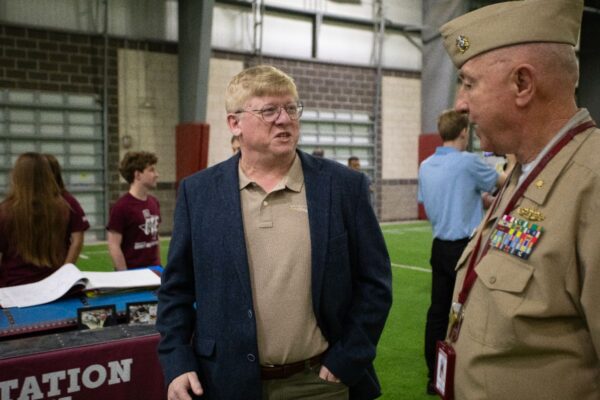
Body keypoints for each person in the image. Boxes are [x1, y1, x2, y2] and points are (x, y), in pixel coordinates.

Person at [157, 65, 392, 400]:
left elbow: (375, 283)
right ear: (234, 123)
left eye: (291, 108)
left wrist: (348, 357)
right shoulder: (199, 193)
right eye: (269, 110)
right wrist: (177, 360)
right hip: (225, 381)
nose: (284, 119)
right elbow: (176, 291)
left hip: (318, 382)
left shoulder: (343, 187)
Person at [436, 0, 600, 399]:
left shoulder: (591, 182)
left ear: (522, 84)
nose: (460, 102)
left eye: (469, 82)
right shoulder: (529, 171)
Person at [417, 109, 505, 395]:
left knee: (438, 311)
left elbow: (441, 196)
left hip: (439, 245)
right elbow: (502, 182)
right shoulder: (468, 162)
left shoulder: (426, 165)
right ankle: (468, 373)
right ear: (464, 133)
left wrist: (475, 196)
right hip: (464, 248)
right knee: (472, 311)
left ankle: (435, 376)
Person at [0, 153, 72, 287]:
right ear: (47, 176)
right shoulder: (62, 208)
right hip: (54, 286)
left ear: (16, 176)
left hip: (14, 287)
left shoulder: (5, 211)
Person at [106, 151, 161, 270]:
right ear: (138, 175)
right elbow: (114, 245)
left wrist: (159, 266)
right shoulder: (121, 207)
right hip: (133, 272)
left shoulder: (154, 202)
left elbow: (156, 237)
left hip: (155, 271)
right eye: (151, 170)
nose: (157, 174)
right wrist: (125, 276)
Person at [45, 154, 90, 264]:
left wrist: (66, 270)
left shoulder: (68, 201)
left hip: (56, 267)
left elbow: (77, 238)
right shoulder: (20, 204)